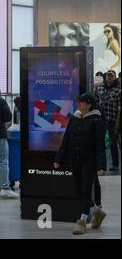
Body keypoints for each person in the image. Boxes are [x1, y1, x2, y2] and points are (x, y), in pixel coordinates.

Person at [54, 93, 107, 235]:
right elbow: (66, 140)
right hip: (75, 160)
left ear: (89, 105)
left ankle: (82, 221)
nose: (79, 104)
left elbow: (100, 145)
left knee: (85, 189)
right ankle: (97, 212)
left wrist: (101, 165)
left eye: (82, 102)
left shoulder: (97, 121)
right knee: (79, 189)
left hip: (90, 161)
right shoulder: (74, 119)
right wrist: (59, 158)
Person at [95, 70, 121, 171]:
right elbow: (97, 101)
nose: (109, 78)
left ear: (114, 77)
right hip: (101, 119)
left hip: (112, 119)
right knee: (100, 142)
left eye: (111, 76)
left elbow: (119, 106)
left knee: (113, 143)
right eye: (108, 76)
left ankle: (115, 163)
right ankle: (101, 164)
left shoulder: (118, 90)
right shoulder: (100, 88)